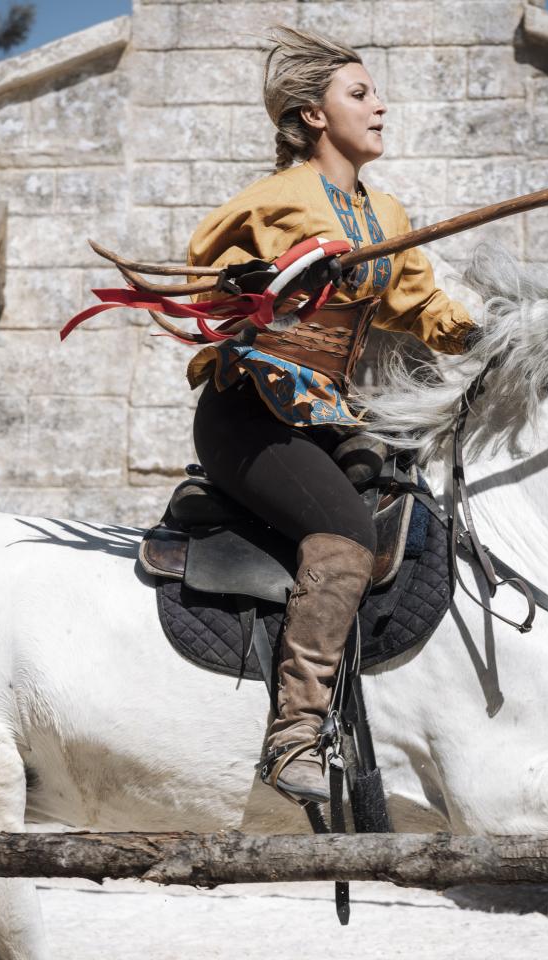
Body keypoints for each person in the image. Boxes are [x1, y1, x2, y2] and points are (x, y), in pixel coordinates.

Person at [183, 27, 476, 804]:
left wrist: (478, 333)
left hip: (329, 416)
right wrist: (257, 284)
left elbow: (422, 303)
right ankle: (293, 738)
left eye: (375, 94)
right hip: (251, 410)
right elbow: (204, 274)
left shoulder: (386, 211)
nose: (379, 106)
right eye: (360, 94)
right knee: (345, 533)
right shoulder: (274, 199)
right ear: (313, 115)